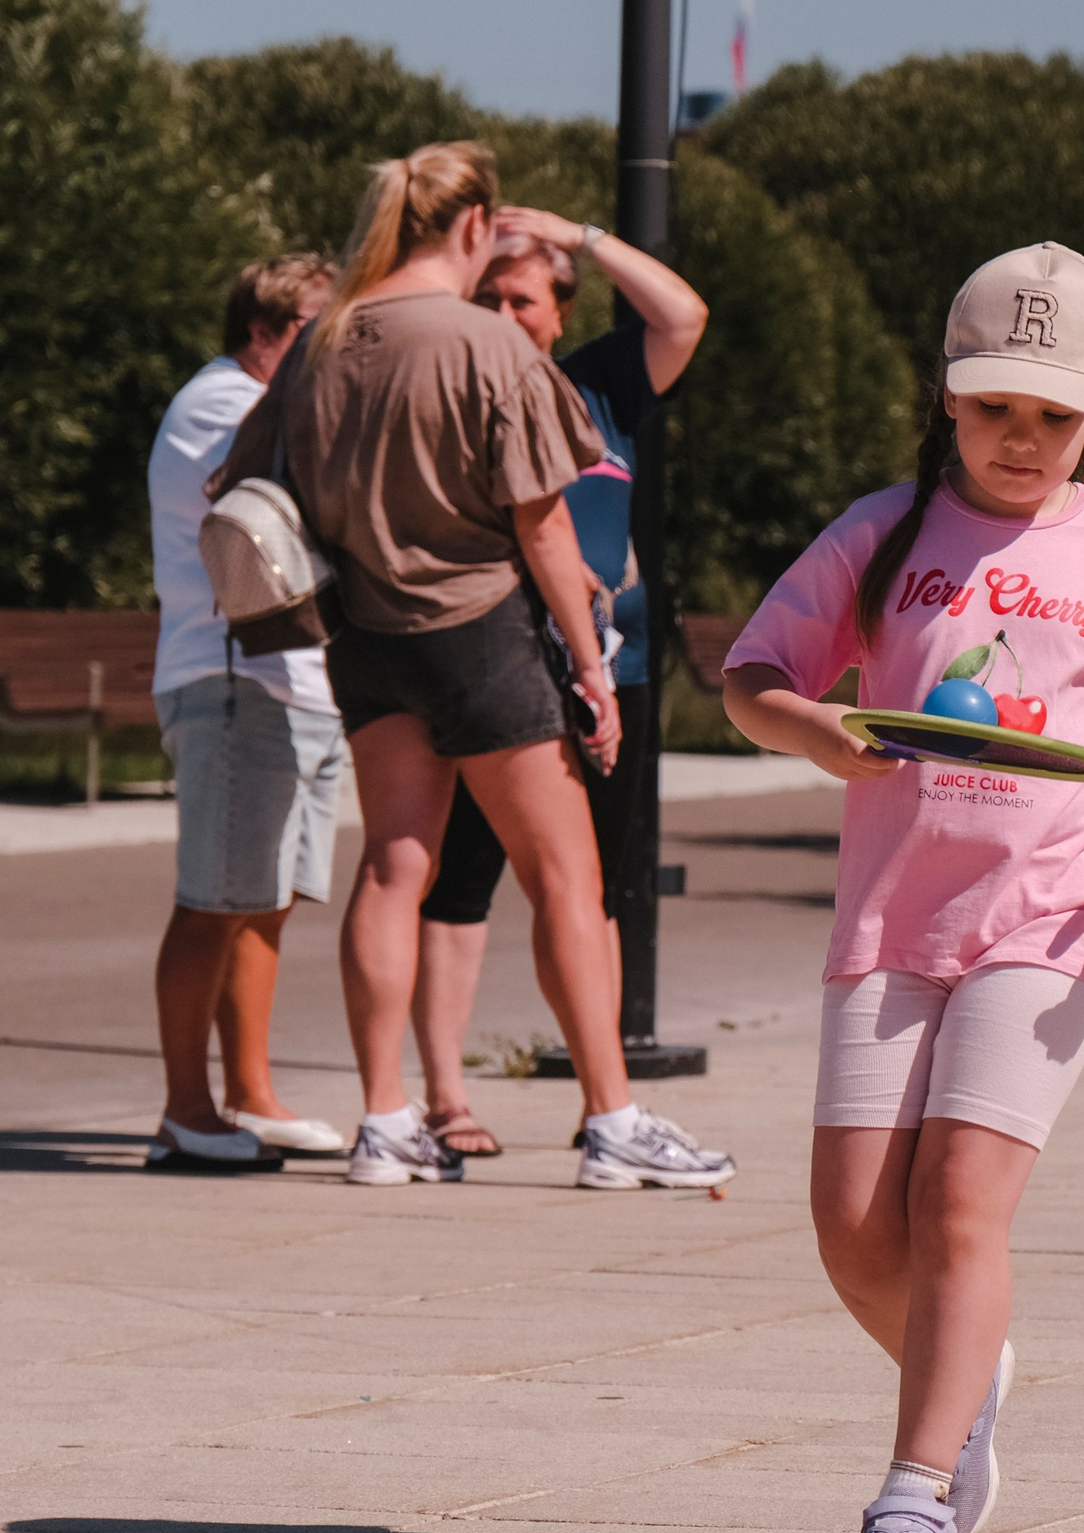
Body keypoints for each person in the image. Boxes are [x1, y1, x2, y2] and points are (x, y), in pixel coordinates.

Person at [721, 242, 1084, 1533]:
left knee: (957, 1204)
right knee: (850, 1225)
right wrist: (809, 726)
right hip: (893, 915)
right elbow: (753, 673)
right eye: (996, 405)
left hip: (1050, 915)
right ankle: (966, 1372)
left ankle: (915, 1494)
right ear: (947, 392)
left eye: (1054, 415)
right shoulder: (881, 533)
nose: (1021, 437)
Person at [211, 141, 725, 1191]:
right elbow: (543, 525)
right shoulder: (485, 343)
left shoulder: (324, 338)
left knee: (393, 867)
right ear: (474, 225)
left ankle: (385, 1121)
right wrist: (590, 668)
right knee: (565, 878)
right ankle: (613, 1121)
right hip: (480, 629)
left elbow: (237, 474)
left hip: (365, 634)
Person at [407, 211, 723, 1180]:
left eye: (523, 299)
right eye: (487, 297)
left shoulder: (601, 384)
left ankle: (603, 1103)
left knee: (593, 891)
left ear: (559, 312)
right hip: (496, 663)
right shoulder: (455, 387)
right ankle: (446, 1098)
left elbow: (683, 315)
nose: (505, 314)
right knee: (459, 883)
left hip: (613, 672)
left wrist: (577, 235)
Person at [146, 252, 350, 1171]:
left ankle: (251, 1097)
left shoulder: (258, 395)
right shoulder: (222, 403)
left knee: (261, 902)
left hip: (294, 684)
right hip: (233, 682)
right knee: (211, 902)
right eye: (318, 328)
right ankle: (184, 1111)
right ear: (266, 332)